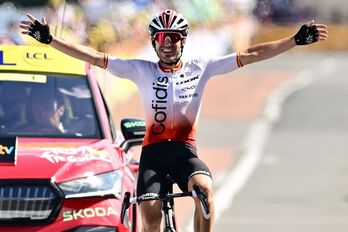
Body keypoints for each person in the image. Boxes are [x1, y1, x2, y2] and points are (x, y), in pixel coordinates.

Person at [19, 9, 328, 232]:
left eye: (175, 37)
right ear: (154, 42)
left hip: (184, 153)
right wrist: (51, 41)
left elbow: (250, 53)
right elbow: (93, 56)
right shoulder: (140, 70)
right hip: (152, 156)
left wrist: (293, 40)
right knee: (150, 219)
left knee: (204, 192)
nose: (168, 42)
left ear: (184, 40)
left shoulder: (201, 67)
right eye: (161, 37)